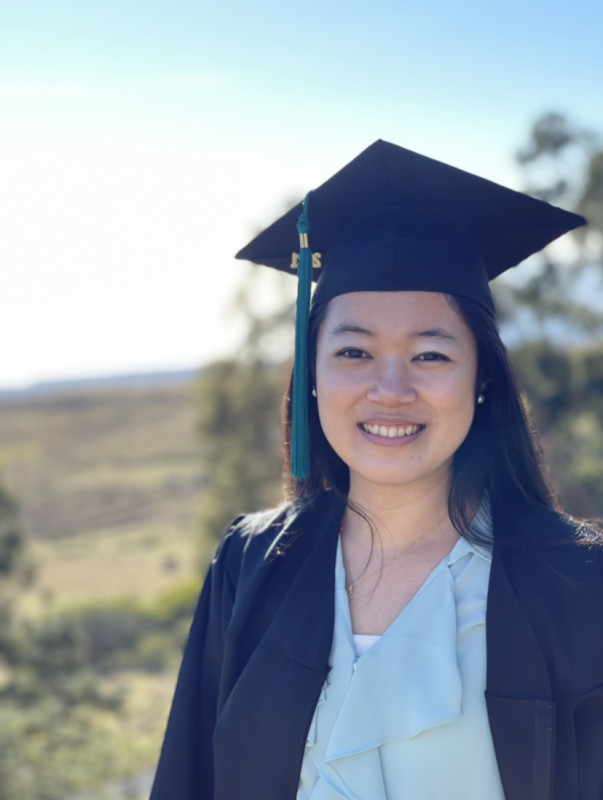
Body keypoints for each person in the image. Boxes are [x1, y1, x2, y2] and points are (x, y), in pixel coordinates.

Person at [150, 141, 603, 800]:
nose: (389, 389)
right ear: (311, 375)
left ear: (482, 380)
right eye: (354, 351)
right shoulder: (250, 564)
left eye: (430, 356)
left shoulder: (576, 586)